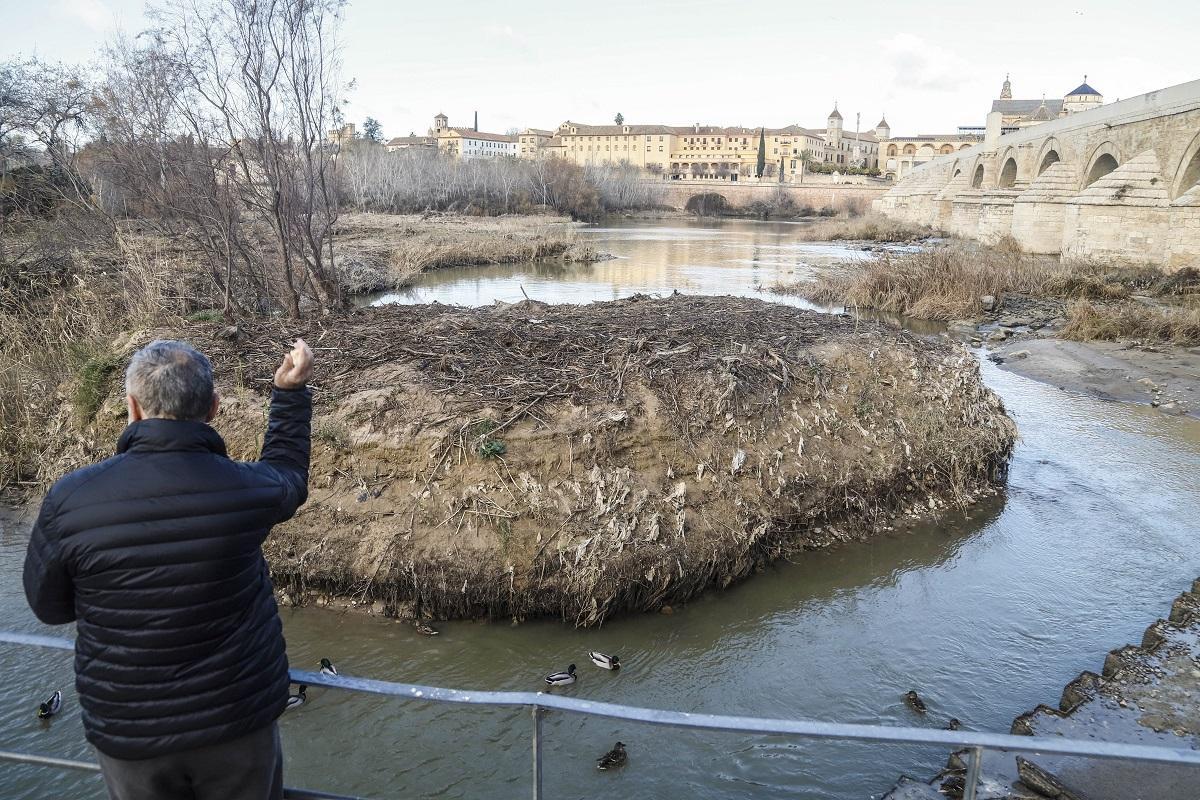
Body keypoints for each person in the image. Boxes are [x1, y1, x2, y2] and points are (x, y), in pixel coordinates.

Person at [23, 338, 314, 800]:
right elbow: (289, 477)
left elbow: (49, 608)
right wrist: (290, 393)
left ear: (132, 408)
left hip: (129, 731)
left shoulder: (71, 497)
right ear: (214, 407)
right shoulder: (244, 489)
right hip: (235, 721)